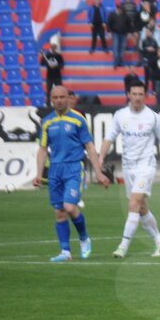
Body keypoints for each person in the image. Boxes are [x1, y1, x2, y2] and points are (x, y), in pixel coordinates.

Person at [100, 82, 160, 259]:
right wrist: (100, 158)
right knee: (141, 207)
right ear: (128, 95)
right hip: (128, 167)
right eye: (134, 93)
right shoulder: (120, 115)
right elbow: (109, 138)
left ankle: (123, 246)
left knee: (134, 202)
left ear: (145, 96)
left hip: (146, 166)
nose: (138, 97)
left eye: (141, 94)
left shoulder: (152, 117)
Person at [34, 86, 108, 262]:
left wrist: (98, 172)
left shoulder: (78, 119)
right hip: (55, 170)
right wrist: (38, 174)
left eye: (62, 97)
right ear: (51, 100)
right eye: (55, 97)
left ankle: (84, 238)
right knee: (59, 211)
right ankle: (65, 252)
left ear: (68, 98)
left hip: (74, 168)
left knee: (69, 207)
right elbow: (42, 149)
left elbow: (89, 146)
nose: (59, 100)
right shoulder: (47, 122)